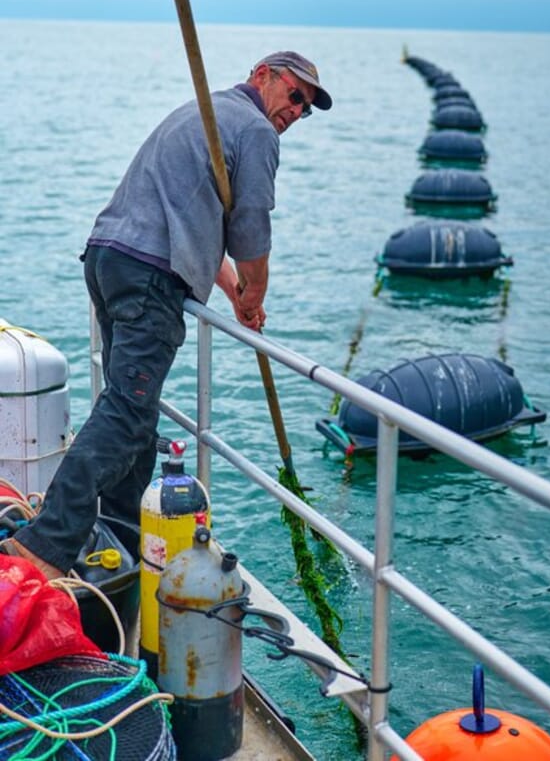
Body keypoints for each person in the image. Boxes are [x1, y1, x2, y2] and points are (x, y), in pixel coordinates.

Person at [0, 51, 333, 579]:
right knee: (128, 411)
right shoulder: (255, 131)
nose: (295, 112)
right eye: (294, 95)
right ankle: (46, 540)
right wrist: (254, 292)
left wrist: (232, 294)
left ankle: (123, 534)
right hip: (150, 277)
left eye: (306, 109)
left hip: (110, 258)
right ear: (262, 76)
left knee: (139, 412)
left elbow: (194, 222)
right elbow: (250, 227)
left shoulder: (206, 113)